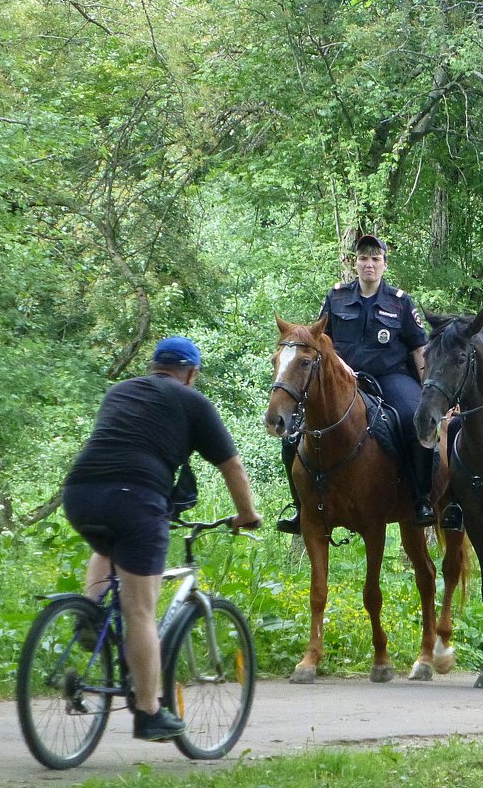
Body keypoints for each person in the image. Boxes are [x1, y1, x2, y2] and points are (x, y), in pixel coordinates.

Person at [62, 336, 263, 742]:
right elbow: (232, 466)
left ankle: (89, 612)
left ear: (155, 366)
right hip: (136, 498)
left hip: (80, 492)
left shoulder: (121, 390)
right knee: (140, 611)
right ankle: (150, 711)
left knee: (105, 548)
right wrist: (247, 513)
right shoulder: (193, 402)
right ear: (190, 374)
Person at [276, 234, 435, 534]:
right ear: (355, 263)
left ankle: (421, 498)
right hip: (344, 378)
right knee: (292, 436)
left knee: (415, 422)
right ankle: (301, 508)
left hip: (392, 377)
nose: (369, 264)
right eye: (363, 258)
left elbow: (418, 349)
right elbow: (317, 340)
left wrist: (427, 389)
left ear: (385, 265)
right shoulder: (335, 297)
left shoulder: (400, 302)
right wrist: (338, 362)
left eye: (375, 259)